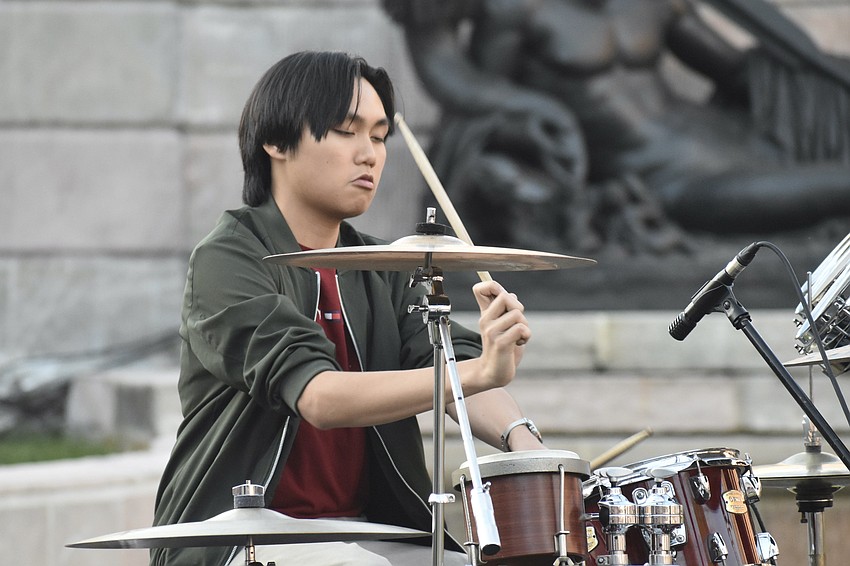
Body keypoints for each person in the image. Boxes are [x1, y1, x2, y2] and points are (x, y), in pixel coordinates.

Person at [151, 51, 545, 566]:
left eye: (380, 137)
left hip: (374, 531)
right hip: (242, 539)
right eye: (346, 130)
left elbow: (443, 363)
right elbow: (318, 396)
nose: (370, 154)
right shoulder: (228, 258)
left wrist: (526, 445)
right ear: (276, 141)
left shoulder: (387, 267)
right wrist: (472, 374)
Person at [383, 0, 850, 253]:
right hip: (681, 185)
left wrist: (827, 75)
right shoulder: (517, 11)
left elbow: (734, 70)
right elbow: (454, 77)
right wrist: (533, 107)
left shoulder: (655, 5)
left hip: (740, 144)